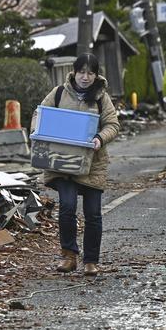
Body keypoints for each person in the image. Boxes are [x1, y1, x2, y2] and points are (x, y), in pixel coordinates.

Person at [36, 53, 120, 276]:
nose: (85, 77)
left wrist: (100, 138)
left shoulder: (101, 97)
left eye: (90, 73)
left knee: (93, 214)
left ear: (96, 75)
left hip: (92, 162)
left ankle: (91, 261)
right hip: (63, 162)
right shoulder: (59, 93)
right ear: (73, 72)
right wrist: (40, 132)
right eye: (81, 72)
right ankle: (69, 256)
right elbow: (40, 114)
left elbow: (112, 124)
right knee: (67, 207)